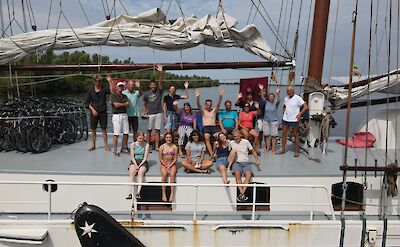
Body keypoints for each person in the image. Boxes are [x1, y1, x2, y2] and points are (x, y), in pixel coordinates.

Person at [228, 130, 260, 202]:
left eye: (237, 136)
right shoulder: (231, 143)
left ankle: (241, 194)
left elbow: (253, 151)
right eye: (234, 136)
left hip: (246, 162)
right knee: (237, 174)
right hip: (237, 162)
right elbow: (229, 153)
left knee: (248, 175)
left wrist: (257, 160)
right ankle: (242, 195)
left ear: (240, 135)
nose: (236, 138)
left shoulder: (246, 142)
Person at [276, 86, 308, 157]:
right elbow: (284, 105)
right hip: (285, 119)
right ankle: (283, 149)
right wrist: (284, 111)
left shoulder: (298, 98)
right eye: (288, 91)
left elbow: (306, 107)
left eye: (290, 91)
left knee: (295, 134)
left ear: (293, 91)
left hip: (294, 119)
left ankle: (296, 151)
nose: (289, 92)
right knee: (284, 134)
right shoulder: (286, 98)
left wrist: (300, 114)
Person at [85, 74, 112, 151]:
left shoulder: (104, 89)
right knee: (93, 129)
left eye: (99, 81)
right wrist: (92, 109)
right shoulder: (90, 91)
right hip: (94, 112)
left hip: (103, 112)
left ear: (101, 81)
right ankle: (93, 145)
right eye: (96, 81)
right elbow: (86, 103)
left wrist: (110, 81)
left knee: (104, 129)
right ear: (94, 81)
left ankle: (106, 145)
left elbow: (111, 91)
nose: (97, 82)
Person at [195, 88, 223, 155]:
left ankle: (215, 152)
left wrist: (220, 96)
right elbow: (198, 105)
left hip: (213, 127)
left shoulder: (214, 111)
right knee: (207, 138)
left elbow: (218, 104)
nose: (209, 106)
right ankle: (212, 154)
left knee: (220, 137)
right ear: (205, 104)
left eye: (210, 105)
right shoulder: (203, 111)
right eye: (207, 105)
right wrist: (197, 97)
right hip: (206, 128)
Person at [143, 65, 164, 151]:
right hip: (150, 113)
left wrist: (160, 72)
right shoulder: (146, 94)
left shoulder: (159, 91)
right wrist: (144, 111)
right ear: (149, 86)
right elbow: (145, 102)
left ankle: (156, 146)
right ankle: (148, 145)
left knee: (157, 130)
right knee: (149, 130)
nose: (153, 86)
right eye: (151, 85)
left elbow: (161, 82)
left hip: (158, 112)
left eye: (154, 84)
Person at [126, 132, 150, 200]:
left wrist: (140, 165)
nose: (141, 140)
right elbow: (132, 157)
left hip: (143, 161)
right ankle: (129, 193)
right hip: (135, 161)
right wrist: (136, 165)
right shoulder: (133, 144)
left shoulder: (146, 145)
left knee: (140, 173)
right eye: (140, 138)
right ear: (137, 138)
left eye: (142, 138)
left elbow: (145, 158)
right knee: (132, 173)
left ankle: (138, 193)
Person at [111, 81, 129, 156]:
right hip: (116, 116)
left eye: (122, 86)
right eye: (119, 86)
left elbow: (128, 104)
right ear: (116, 87)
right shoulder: (113, 96)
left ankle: (123, 148)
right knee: (116, 133)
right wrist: (123, 104)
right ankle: (115, 150)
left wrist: (120, 104)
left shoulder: (125, 96)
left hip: (124, 115)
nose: (120, 87)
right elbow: (116, 105)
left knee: (126, 133)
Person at [159, 132, 178, 202]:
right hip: (164, 163)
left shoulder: (175, 147)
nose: (168, 139)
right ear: (165, 138)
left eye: (170, 137)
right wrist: (166, 165)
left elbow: (175, 158)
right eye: (167, 137)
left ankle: (172, 194)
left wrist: (170, 165)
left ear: (172, 138)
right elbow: (161, 159)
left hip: (172, 163)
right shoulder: (162, 147)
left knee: (172, 174)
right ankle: (163, 193)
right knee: (164, 174)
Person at [263, 88, 281, 153]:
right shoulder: (266, 102)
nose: (271, 98)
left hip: (274, 121)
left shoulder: (276, 103)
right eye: (270, 97)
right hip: (266, 121)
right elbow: (262, 97)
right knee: (267, 135)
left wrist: (278, 94)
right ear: (268, 98)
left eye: (272, 97)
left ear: (274, 98)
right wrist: (262, 90)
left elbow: (279, 100)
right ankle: (267, 148)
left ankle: (273, 148)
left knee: (273, 135)